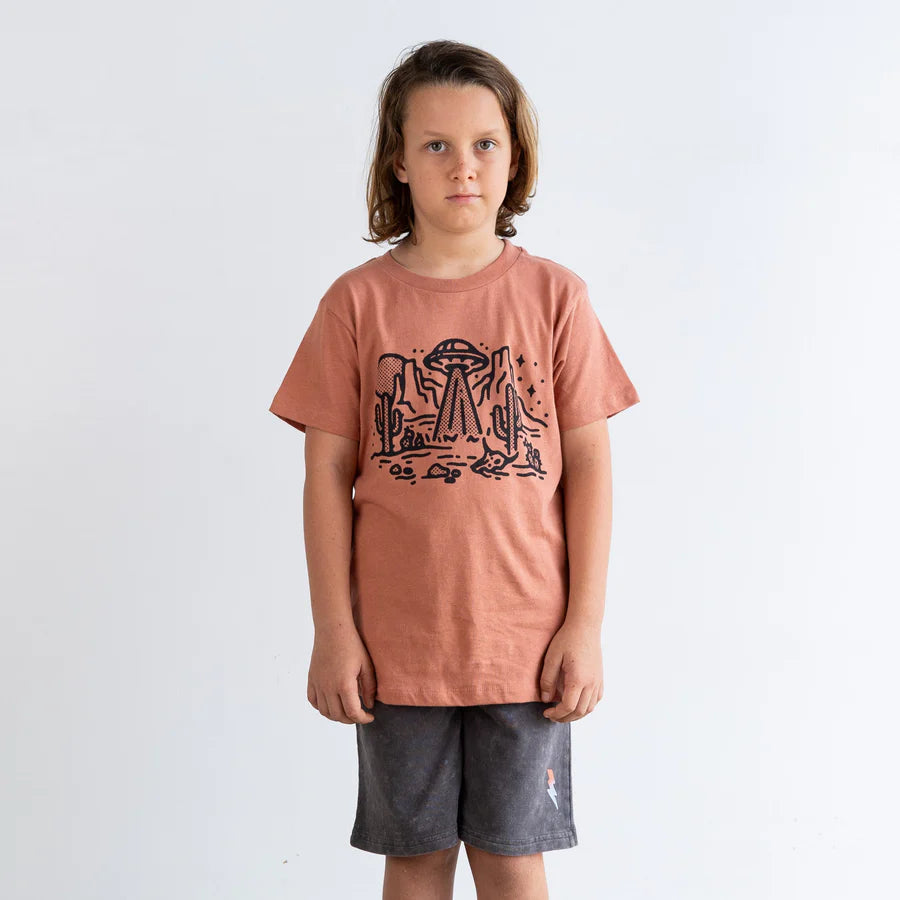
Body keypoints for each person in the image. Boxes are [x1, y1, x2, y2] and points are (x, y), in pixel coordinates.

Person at [268, 39, 640, 900]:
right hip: (397, 650)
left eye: (484, 143)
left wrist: (584, 625)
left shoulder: (556, 297)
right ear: (398, 160)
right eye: (435, 144)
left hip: (527, 646)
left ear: (514, 157)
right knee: (416, 861)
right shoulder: (356, 303)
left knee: (512, 860)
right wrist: (334, 631)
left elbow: (589, 465)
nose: (462, 166)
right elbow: (326, 476)